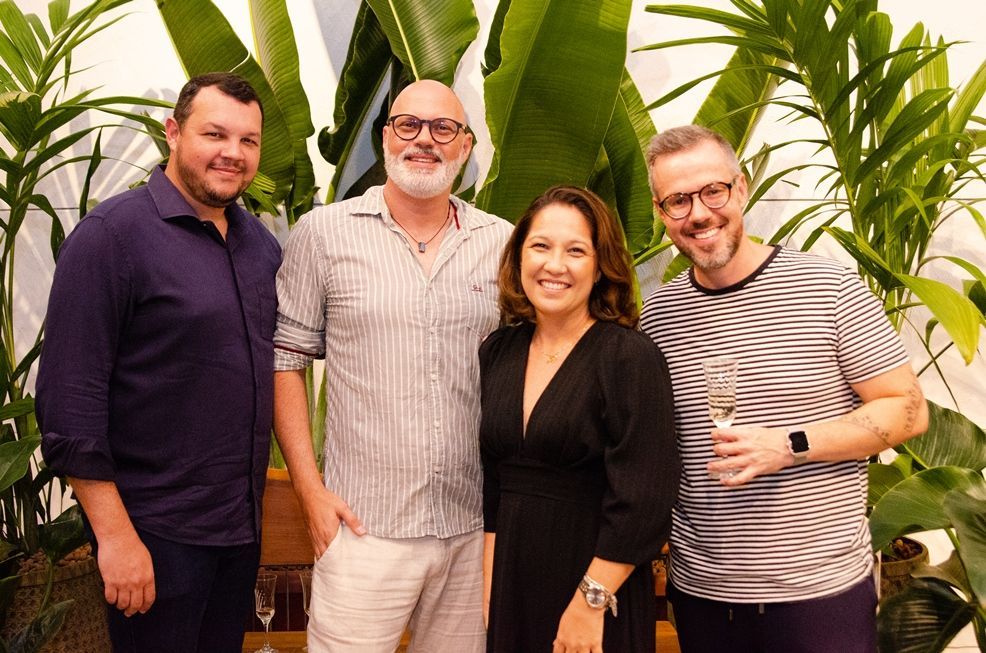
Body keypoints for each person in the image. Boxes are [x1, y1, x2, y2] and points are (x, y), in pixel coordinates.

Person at [639, 125, 929, 653]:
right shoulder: (657, 316)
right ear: (661, 214)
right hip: (704, 595)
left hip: (820, 596)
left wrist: (787, 445)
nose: (699, 214)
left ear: (741, 187)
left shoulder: (829, 287)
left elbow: (908, 411)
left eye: (712, 191)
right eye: (678, 201)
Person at [36, 72, 279, 653]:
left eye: (248, 141)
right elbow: (71, 403)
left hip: (238, 531)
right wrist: (116, 538)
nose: (233, 153)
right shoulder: (111, 237)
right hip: (153, 535)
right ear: (173, 132)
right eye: (215, 134)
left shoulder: (260, 246)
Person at [273, 79, 512, 653]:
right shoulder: (324, 234)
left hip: (469, 527)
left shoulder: (501, 242)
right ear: (386, 137)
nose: (424, 140)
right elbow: (286, 363)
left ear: (465, 146)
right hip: (362, 528)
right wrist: (310, 492)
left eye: (443, 128)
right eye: (408, 125)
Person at [481, 185, 679, 653]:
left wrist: (591, 602)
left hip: (596, 588)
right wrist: (491, 589)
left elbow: (645, 499)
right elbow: (494, 483)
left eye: (575, 250)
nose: (555, 265)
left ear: (599, 265)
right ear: (519, 256)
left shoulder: (629, 356)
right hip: (513, 581)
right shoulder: (499, 350)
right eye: (540, 246)